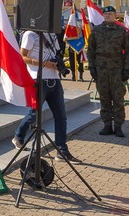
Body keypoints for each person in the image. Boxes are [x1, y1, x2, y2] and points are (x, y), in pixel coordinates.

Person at [12, 29, 78, 162]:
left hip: (54, 79)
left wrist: (58, 64)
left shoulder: (52, 34)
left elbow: (54, 54)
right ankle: (19, 136)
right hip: (38, 79)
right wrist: (43, 64)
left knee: (61, 116)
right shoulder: (30, 34)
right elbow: (22, 56)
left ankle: (62, 150)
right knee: (34, 113)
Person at [86, 6, 129, 138]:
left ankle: (118, 126)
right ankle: (107, 125)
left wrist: (126, 69)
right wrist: (92, 68)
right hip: (101, 69)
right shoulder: (96, 31)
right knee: (104, 98)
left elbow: (128, 51)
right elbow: (91, 51)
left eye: (110, 14)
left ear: (115, 15)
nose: (108, 16)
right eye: (105, 14)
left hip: (116, 69)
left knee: (118, 98)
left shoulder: (122, 31)